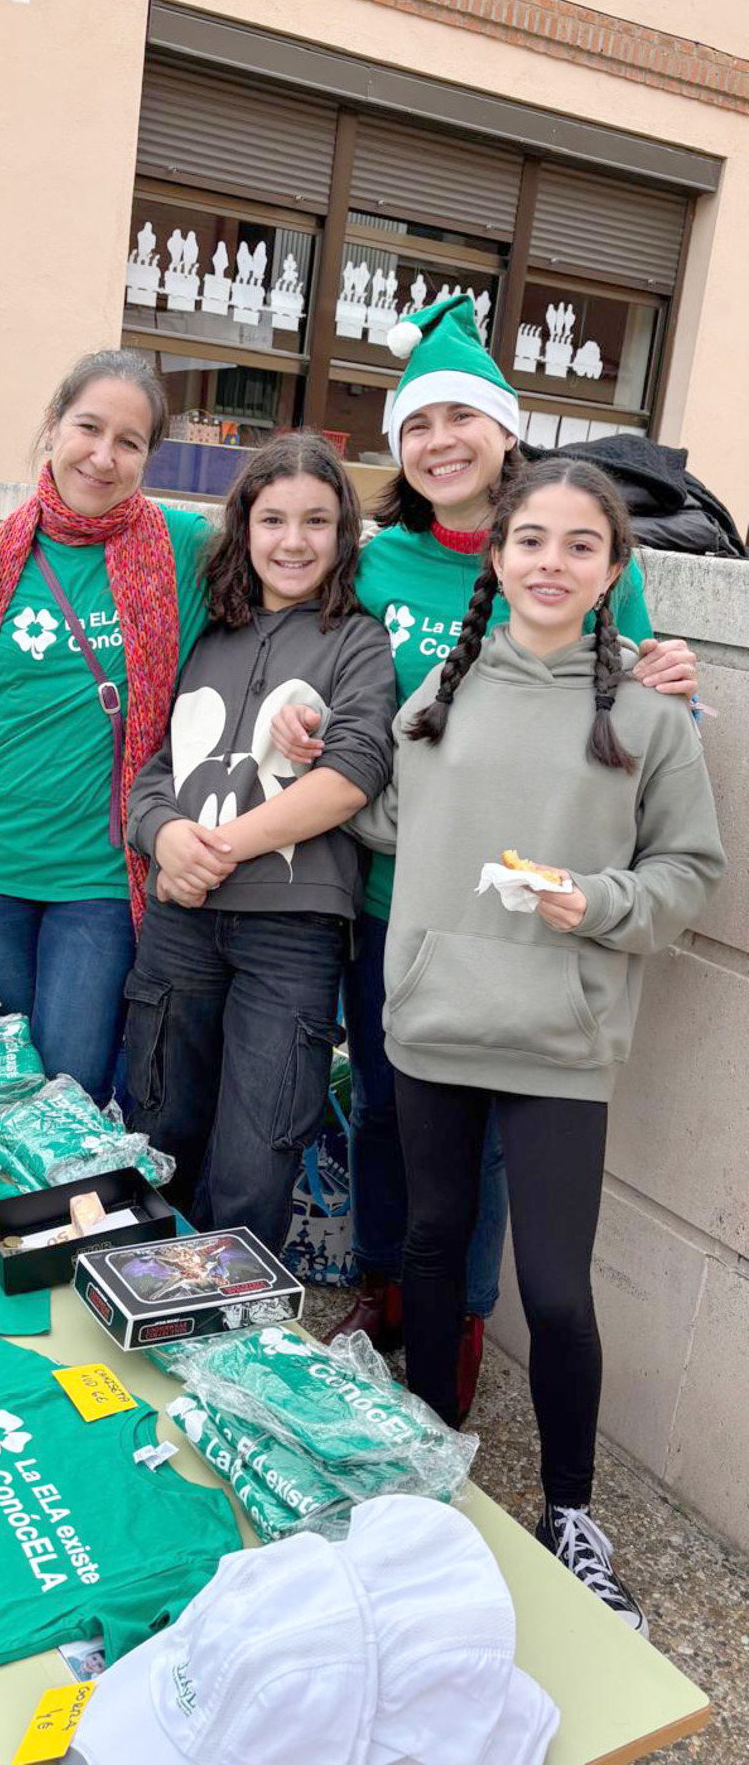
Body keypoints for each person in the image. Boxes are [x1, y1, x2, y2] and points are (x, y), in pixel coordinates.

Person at [273, 295, 698, 1413]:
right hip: (388, 898)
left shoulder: (569, 546)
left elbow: (636, 697)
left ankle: (455, 1322)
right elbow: (329, 684)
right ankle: (384, 1288)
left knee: (488, 1152)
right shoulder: (376, 559)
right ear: (400, 447)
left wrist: (673, 683)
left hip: (522, 930)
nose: (441, 441)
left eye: (463, 417)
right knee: (379, 1105)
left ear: (506, 434)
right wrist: (301, 726)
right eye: (419, 424)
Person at [351, 458, 723, 1631]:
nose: (551, 563)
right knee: (428, 1244)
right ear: (495, 555)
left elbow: (689, 871)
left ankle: (572, 1509)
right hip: (432, 1021)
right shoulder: (434, 700)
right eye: (530, 541)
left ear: (616, 569)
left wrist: (602, 902)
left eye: (579, 545)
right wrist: (297, 748)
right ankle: (425, 1469)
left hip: (560, 1037)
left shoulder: (654, 715)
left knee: (557, 1291)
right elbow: (382, 818)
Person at [0, 348, 210, 1105]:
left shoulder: (185, 550)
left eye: (129, 442)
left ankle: (73, 1219)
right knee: (3, 1076)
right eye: (89, 428)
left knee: (71, 1079)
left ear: (149, 456)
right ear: (54, 426)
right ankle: (13, 1219)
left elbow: (297, 562)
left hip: (101, 875)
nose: (103, 457)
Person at [123, 434, 395, 1254]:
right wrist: (165, 834)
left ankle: (225, 1333)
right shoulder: (208, 637)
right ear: (245, 529)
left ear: (344, 533)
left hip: (292, 929)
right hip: (181, 924)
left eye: (316, 521)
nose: (293, 541)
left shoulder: (358, 641)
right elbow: (154, 769)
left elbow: (352, 774)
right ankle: (141, 1301)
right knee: (158, 1124)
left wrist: (217, 849)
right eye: (272, 519)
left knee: (258, 1149)